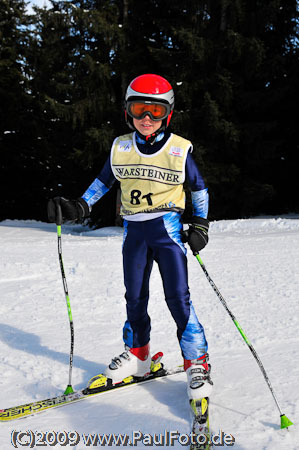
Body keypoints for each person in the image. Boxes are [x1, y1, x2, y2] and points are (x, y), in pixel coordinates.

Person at [48, 74, 213, 401]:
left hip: (167, 231)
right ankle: (138, 355)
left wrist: (200, 226)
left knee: (177, 298)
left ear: (168, 113)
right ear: (128, 111)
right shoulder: (121, 147)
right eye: (139, 109)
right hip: (134, 231)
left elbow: (199, 188)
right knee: (134, 297)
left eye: (155, 111)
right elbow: (102, 183)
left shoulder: (178, 150)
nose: (146, 119)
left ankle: (197, 361)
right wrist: (79, 206)